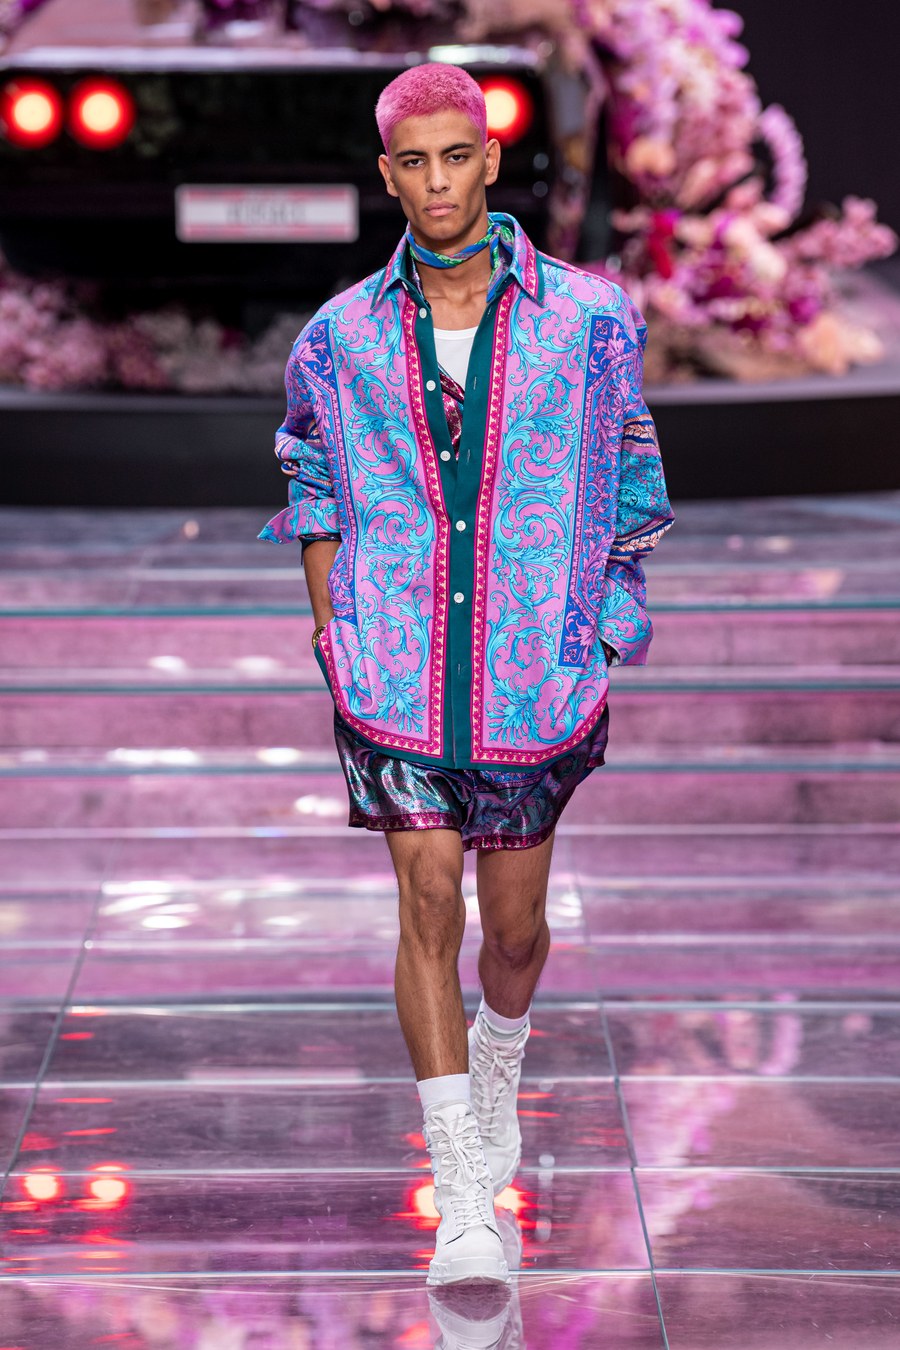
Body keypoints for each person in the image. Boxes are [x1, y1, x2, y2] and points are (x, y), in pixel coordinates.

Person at [260, 62, 674, 1287]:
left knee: (517, 933)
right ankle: (462, 1198)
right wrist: (335, 631)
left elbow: (632, 474)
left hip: (531, 674)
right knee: (427, 898)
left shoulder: (588, 318)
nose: (438, 182)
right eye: (415, 163)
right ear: (387, 175)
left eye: (457, 156)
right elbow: (312, 480)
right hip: (393, 671)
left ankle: (498, 1058)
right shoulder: (341, 336)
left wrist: (600, 626)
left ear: (490, 160)